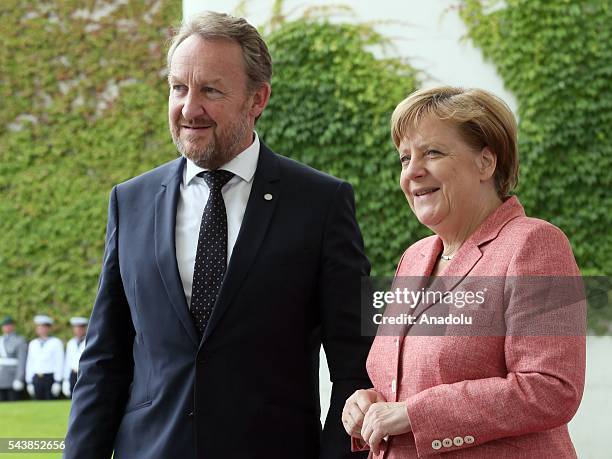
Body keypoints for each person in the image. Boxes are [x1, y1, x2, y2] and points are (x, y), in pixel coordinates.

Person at [64, 11, 371, 459]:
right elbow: (104, 361)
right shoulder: (129, 201)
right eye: (178, 88)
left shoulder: (322, 204)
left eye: (210, 90)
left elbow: (355, 365)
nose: (189, 108)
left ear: (257, 99)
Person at [342, 86, 586, 458]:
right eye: (404, 158)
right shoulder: (415, 257)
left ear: (486, 163)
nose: (412, 171)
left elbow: (551, 388)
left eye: (432, 152)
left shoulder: (535, 243)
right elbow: (407, 385)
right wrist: (369, 403)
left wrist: (415, 414)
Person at [25, 315, 64, 400]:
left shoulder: (55, 342)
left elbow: (59, 362)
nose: (41, 329)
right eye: (39, 327)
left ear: (49, 328)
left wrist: (58, 381)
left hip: (50, 377)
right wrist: (29, 381)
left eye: (44, 327)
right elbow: (30, 362)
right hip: (36, 377)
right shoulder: (33, 343)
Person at [0, 316, 28, 401]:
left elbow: (22, 361)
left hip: (12, 377)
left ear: (13, 326)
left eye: (8, 325)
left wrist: (19, 378)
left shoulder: (19, 340)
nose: (6, 327)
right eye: (4, 326)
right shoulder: (1, 340)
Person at [62, 317, 88, 398]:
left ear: (84, 329)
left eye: (80, 328)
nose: (78, 330)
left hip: (84, 373)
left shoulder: (89, 341)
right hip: (73, 374)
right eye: (76, 328)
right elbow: (67, 362)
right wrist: (65, 379)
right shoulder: (71, 343)